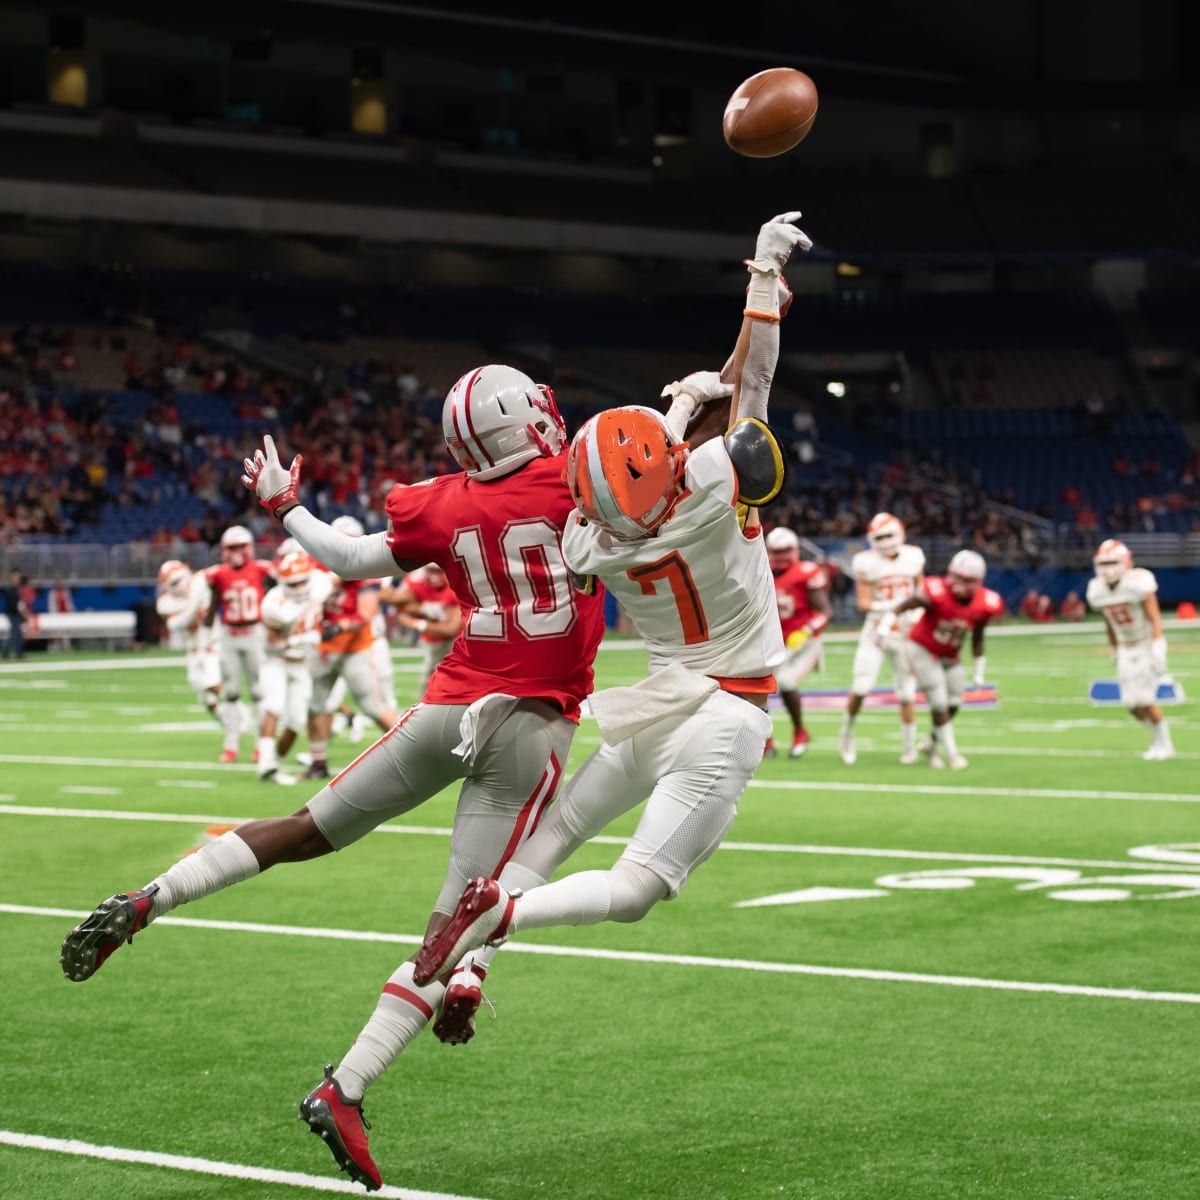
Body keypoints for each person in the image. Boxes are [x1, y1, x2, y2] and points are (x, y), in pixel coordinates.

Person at [61, 364, 606, 1194]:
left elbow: (349, 559)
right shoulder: (577, 485)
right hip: (531, 725)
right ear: (527, 423)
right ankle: (347, 1084)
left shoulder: (445, 500)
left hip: (446, 708)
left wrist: (284, 505)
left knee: (305, 829)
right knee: (456, 921)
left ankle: (149, 900)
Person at [410, 211, 811, 1057]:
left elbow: (638, 474)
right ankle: (502, 913)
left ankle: (476, 960)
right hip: (726, 711)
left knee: (553, 834)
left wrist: (679, 403)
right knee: (636, 886)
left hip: (653, 707)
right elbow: (754, 391)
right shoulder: (708, 487)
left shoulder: (586, 538)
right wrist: (763, 278)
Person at [883, 549, 1003, 770]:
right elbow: (906, 605)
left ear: (978, 581)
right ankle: (952, 755)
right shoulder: (936, 590)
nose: (958, 583)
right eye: (956, 576)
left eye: (966, 580)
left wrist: (979, 668)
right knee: (938, 702)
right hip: (921, 648)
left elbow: (977, 636)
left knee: (954, 703)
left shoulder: (985, 603)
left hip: (950, 655)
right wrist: (885, 623)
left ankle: (931, 743)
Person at [302, 515, 398, 781]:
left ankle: (413, 756)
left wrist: (339, 626)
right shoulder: (318, 568)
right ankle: (318, 762)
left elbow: (365, 615)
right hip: (324, 647)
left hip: (355, 648)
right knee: (317, 705)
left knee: (373, 706)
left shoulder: (366, 572)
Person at [839, 514, 926, 765]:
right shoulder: (866, 562)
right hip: (877, 631)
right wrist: (899, 606)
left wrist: (919, 611)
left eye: (890, 535)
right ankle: (846, 734)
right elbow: (864, 603)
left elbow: (923, 591)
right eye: (880, 537)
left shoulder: (913, 556)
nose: (886, 542)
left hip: (906, 632)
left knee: (907, 692)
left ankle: (909, 747)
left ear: (901, 534)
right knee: (862, 687)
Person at [1086, 539, 1174, 760]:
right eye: (1103, 563)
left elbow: (1154, 617)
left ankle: (1165, 744)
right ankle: (1155, 740)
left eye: (1112, 562)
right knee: (1131, 705)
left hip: (1144, 645)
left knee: (1145, 700)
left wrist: (1157, 647)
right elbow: (1109, 622)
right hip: (1126, 648)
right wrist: (1114, 648)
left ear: (1125, 563)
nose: (1107, 569)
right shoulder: (1097, 590)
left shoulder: (1138, 582)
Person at [205, 527, 275, 763]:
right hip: (229, 634)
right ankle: (231, 744)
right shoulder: (217, 574)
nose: (236, 552)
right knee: (231, 692)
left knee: (258, 691)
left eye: (240, 547)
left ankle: (259, 745)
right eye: (232, 548)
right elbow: (212, 606)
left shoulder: (263, 569)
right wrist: (206, 637)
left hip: (255, 632)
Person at [257, 551, 327, 783]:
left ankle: (273, 766)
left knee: (297, 721)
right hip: (276, 661)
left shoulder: (320, 583)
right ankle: (265, 763)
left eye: (301, 582)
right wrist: (299, 640)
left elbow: (342, 576)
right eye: (292, 583)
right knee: (274, 706)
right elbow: (271, 642)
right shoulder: (274, 604)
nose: (298, 588)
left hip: (302, 664)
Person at [764, 526, 829, 758]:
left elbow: (824, 611)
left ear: (795, 550)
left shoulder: (806, 572)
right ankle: (765, 739)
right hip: (773, 643)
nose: (780, 556)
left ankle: (800, 731)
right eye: (776, 551)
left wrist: (806, 631)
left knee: (786, 682)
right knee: (758, 688)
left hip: (804, 644)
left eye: (785, 551)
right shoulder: (761, 572)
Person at [155, 560, 222, 722]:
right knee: (206, 698)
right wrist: (194, 607)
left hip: (212, 644)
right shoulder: (166, 603)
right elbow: (176, 623)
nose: (176, 586)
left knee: (212, 683)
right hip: (192, 649)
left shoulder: (201, 585)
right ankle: (233, 723)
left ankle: (239, 710)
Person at [386, 562, 461, 693]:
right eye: (431, 570)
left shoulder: (455, 588)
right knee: (428, 685)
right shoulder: (417, 584)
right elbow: (392, 599)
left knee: (448, 685)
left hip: (456, 644)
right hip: (431, 642)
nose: (434, 576)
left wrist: (415, 623)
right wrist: (394, 583)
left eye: (439, 571)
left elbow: (450, 629)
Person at [2, 568, 30, 660]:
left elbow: (20, 603)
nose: (17, 579)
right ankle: (7, 653)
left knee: (18, 633)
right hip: (12, 614)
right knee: (15, 633)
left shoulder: (17, 590)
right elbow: (15, 605)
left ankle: (19, 654)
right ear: (11, 578)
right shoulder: (10, 590)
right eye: (15, 577)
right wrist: (23, 613)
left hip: (17, 614)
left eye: (18, 577)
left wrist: (24, 613)